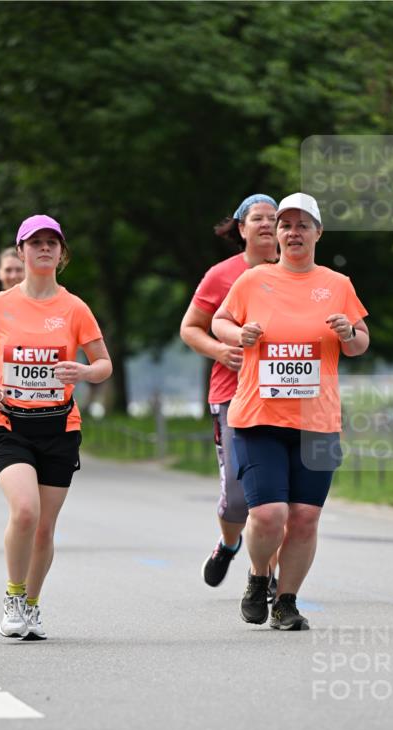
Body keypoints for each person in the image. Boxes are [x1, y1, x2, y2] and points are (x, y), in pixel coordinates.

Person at [212, 193, 369, 630]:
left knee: (304, 516)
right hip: (259, 417)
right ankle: (258, 575)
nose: (293, 233)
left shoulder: (337, 284)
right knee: (268, 514)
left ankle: (286, 602)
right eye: (285, 226)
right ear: (276, 234)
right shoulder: (253, 280)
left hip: (317, 422)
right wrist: (238, 333)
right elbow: (218, 322)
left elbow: (360, 343)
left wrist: (348, 331)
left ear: (318, 232)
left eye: (302, 225)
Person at [0, 214, 112, 641]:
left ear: (62, 253)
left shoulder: (74, 307)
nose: (44, 248)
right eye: (35, 242)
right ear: (22, 250)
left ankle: (31, 606)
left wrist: (81, 372)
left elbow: (104, 365)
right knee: (25, 511)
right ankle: (13, 596)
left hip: (60, 426)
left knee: (45, 526)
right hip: (8, 422)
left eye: (52, 242)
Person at [179, 193, 279, 597]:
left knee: (273, 497)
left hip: (283, 399)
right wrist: (221, 351)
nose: (269, 224)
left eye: (276, 217)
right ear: (241, 228)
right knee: (239, 501)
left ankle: (268, 578)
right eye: (259, 218)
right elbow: (190, 327)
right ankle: (229, 543)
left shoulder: (295, 273)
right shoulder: (222, 275)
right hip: (232, 397)